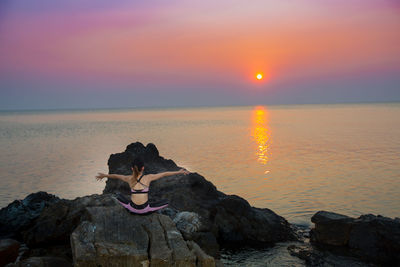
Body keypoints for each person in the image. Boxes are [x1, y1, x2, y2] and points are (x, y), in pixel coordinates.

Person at [95, 158, 190, 214]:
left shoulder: (128, 178)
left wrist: (104, 175)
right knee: (166, 202)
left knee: (118, 196)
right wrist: (179, 172)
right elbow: (164, 174)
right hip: (145, 209)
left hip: (132, 209)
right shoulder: (149, 177)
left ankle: (131, 208)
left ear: (132, 168)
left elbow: (115, 176)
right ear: (143, 168)